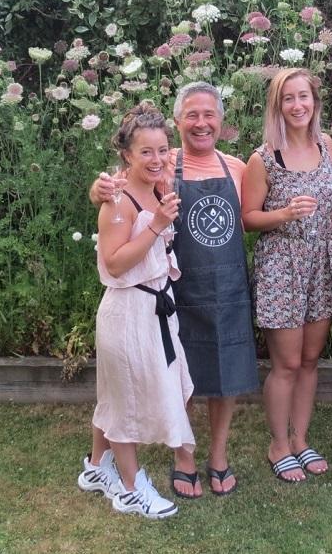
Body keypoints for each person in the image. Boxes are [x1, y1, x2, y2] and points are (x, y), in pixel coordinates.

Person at [90, 82, 259, 499]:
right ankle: (184, 459)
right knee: (175, 380)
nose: (201, 124)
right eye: (192, 115)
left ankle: (217, 456)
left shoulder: (237, 168)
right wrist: (99, 191)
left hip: (225, 289)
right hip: (172, 292)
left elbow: (253, 217)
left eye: (210, 115)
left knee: (226, 376)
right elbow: (117, 194)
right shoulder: (161, 162)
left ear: (221, 120)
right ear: (177, 122)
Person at [78, 101, 194, 520]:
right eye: (146, 151)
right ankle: (130, 489)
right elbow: (114, 262)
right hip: (129, 311)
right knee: (124, 402)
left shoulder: (159, 185)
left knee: (115, 394)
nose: (158, 158)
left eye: (163, 149)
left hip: (157, 308)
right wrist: (158, 225)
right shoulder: (118, 198)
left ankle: (95, 468)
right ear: (126, 154)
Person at [242, 68, 332, 483]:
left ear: (315, 102)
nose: (297, 105)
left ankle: (301, 438)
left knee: (311, 360)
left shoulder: (328, 146)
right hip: (281, 266)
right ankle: (278, 444)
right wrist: (284, 214)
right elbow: (247, 218)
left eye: (304, 97)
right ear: (277, 106)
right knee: (286, 363)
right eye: (288, 98)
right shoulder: (262, 158)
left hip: (320, 263)